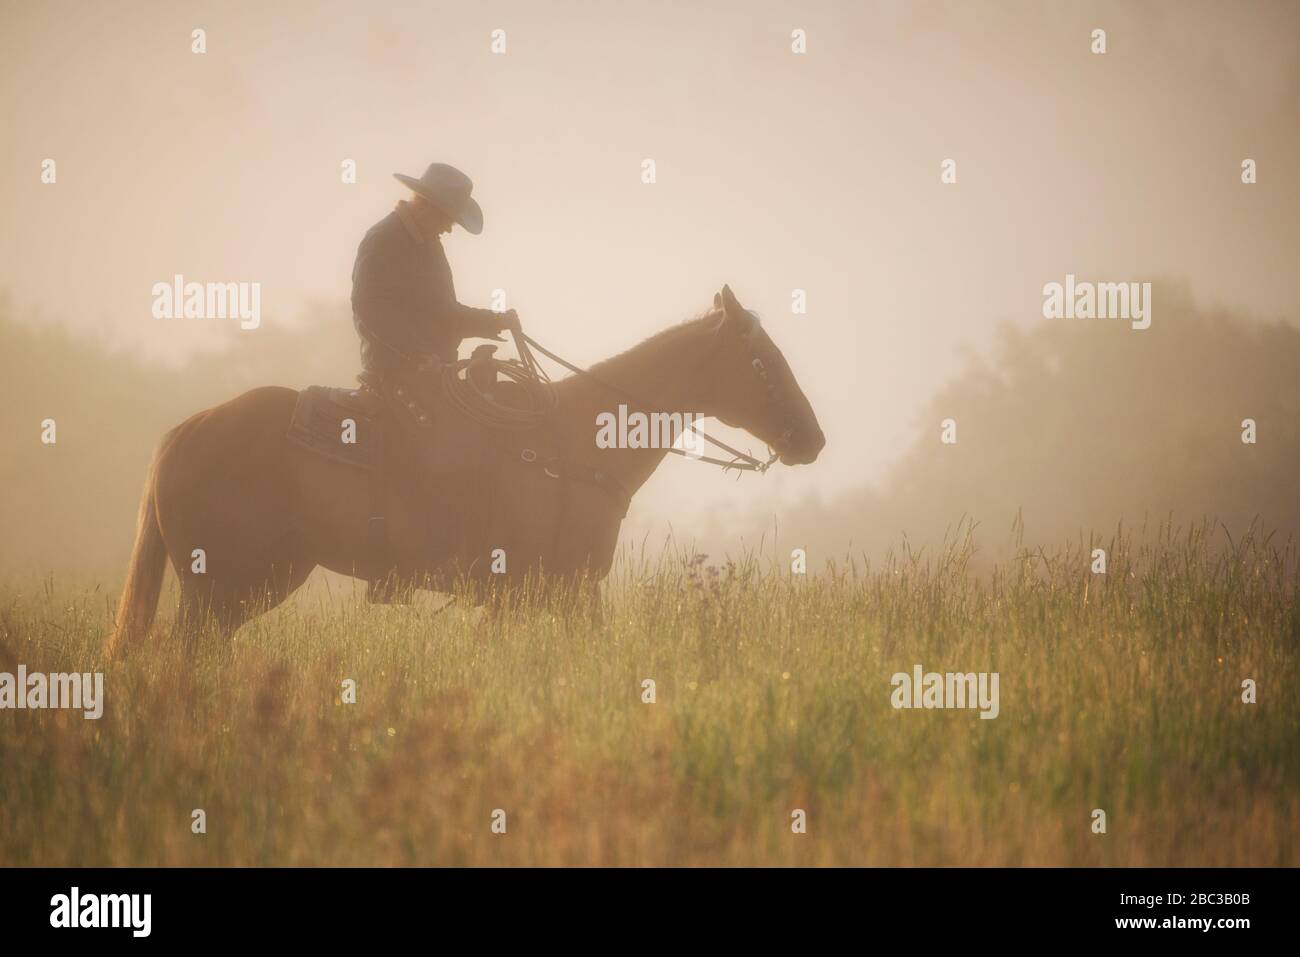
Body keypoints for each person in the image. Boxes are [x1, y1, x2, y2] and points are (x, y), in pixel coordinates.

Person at [351, 162, 519, 407]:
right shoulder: (384, 239)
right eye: (448, 219)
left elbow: (442, 311)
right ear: (427, 206)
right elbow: (371, 309)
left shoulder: (427, 242)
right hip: (399, 374)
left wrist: (493, 320)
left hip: (434, 372)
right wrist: (416, 354)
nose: (449, 229)